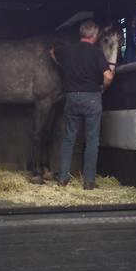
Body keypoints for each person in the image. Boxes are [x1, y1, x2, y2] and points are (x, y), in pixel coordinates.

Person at [50, 19, 114, 190]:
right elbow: (108, 76)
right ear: (94, 35)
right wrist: (103, 88)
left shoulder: (68, 50)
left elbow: (52, 52)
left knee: (69, 138)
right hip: (92, 97)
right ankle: (88, 182)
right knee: (92, 139)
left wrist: (63, 67)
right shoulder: (96, 53)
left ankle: (63, 179)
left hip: (71, 97)